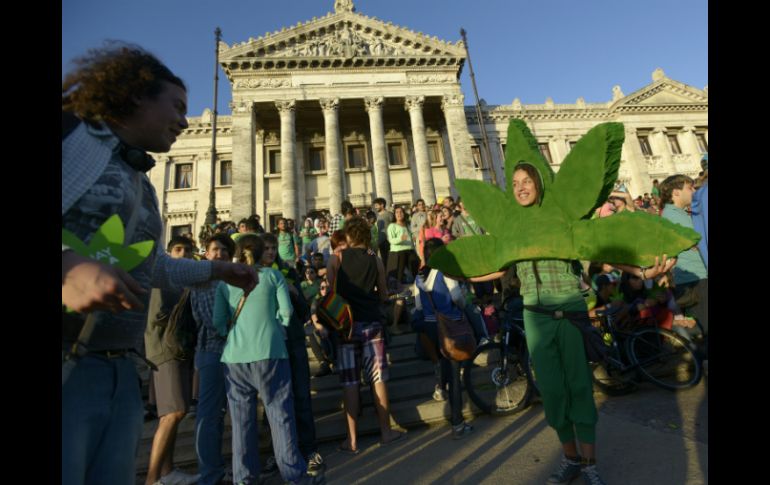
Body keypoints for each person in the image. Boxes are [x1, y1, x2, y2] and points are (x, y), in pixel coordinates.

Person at [62, 43, 257, 485]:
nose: (186, 121)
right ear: (135, 96)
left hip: (118, 369)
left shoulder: (143, 184)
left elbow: (152, 270)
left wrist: (216, 270)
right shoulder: (71, 137)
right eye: (177, 106)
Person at [465, 162, 675, 485]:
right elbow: (496, 266)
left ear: (539, 185)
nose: (520, 187)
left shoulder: (561, 219)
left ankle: (589, 463)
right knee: (551, 391)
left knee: (579, 387)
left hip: (570, 311)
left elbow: (597, 247)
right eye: (515, 182)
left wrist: (643, 272)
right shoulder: (512, 228)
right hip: (535, 316)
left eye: (527, 181)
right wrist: (457, 270)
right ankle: (571, 458)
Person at [212, 235, 317, 485]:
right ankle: (295, 476)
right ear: (261, 253)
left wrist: (232, 334)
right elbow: (287, 312)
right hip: (271, 351)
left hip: (234, 358)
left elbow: (217, 322)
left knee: (241, 423)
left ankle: (244, 479)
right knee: (280, 414)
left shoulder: (225, 283)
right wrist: (276, 327)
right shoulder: (273, 276)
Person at [326, 217, 406, 454]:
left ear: (349, 237)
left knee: (350, 382)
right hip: (372, 323)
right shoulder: (376, 260)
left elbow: (331, 294)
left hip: (346, 327)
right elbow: (382, 294)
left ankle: (351, 441)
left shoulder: (336, 258)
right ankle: (386, 432)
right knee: (378, 379)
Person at [143, 236, 199, 485]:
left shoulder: (183, 281)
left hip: (179, 349)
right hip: (165, 350)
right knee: (173, 412)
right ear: (168, 252)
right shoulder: (164, 279)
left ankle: (167, 471)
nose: (184, 254)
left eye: (188, 250)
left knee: (175, 412)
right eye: (178, 249)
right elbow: (156, 316)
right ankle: (153, 478)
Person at [413, 238, 474, 439]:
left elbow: (419, 307)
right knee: (455, 376)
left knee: (443, 366)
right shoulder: (445, 272)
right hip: (450, 327)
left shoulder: (419, 277)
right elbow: (457, 297)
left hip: (430, 325)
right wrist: (464, 306)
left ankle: (440, 388)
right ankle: (457, 422)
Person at [190, 233, 237, 485]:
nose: (219, 254)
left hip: (229, 351)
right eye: (215, 250)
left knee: (225, 413)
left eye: (224, 252)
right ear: (206, 253)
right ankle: (210, 474)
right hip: (212, 351)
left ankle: (221, 471)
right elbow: (214, 322)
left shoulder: (228, 281)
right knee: (210, 415)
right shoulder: (207, 282)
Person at [659, 174, 708, 348]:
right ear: (676, 192)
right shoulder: (673, 215)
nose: (694, 191)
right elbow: (698, 240)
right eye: (690, 187)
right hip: (694, 279)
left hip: (696, 276)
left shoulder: (678, 213)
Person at [386, 206, 419, 285]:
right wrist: (400, 239)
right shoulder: (392, 226)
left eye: (401, 212)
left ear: (404, 214)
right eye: (397, 212)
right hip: (398, 252)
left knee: (416, 269)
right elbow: (391, 240)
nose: (399, 214)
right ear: (394, 215)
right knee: (399, 274)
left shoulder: (407, 225)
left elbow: (411, 238)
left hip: (410, 250)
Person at [373, 197, 394, 263]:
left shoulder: (389, 214)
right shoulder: (378, 216)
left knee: (391, 261)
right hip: (381, 242)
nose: (375, 207)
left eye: (376, 205)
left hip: (389, 241)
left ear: (382, 205)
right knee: (384, 261)